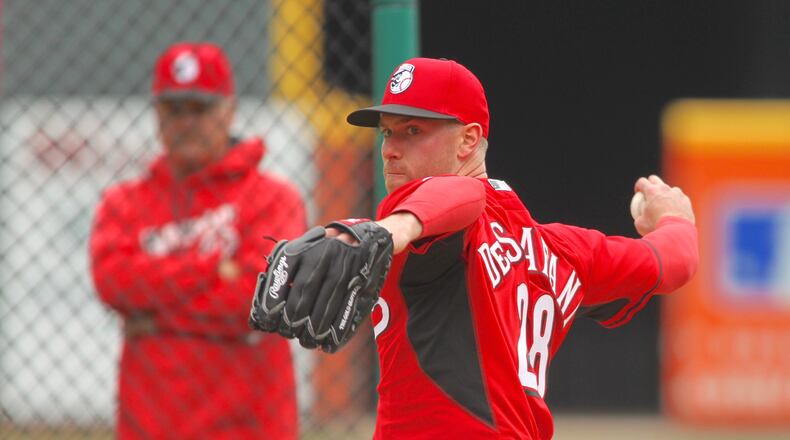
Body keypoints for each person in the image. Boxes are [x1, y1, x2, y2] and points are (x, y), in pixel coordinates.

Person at [255, 57, 697, 439]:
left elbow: (462, 197)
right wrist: (674, 219)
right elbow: (671, 261)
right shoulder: (561, 250)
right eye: (387, 132)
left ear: (468, 140)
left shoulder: (424, 222)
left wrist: (392, 229)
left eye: (412, 130)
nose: (390, 149)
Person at [89, 42, 304, 439]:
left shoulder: (272, 198)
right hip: (149, 426)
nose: (187, 122)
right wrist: (209, 269)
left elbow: (256, 300)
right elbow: (113, 281)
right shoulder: (124, 202)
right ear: (156, 114)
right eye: (174, 109)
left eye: (200, 108)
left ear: (229, 110)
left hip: (249, 426)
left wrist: (153, 317)